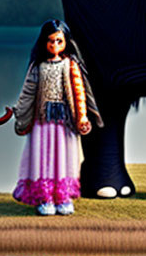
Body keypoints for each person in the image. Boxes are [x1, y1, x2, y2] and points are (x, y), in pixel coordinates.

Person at [13, 20, 102, 215]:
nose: (54, 46)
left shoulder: (70, 65)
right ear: (44, 42)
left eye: (59, 41)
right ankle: (45, 197)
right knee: (42, 157)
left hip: (64, 120)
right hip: (42, 120)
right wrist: (20, 110)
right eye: (51, 41)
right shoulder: (38, 66)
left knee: (64, 157)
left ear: (66, 42)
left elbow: (79, 92)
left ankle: (63, 197)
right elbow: (28, 91)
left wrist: (82, 117)